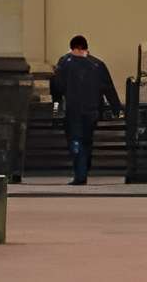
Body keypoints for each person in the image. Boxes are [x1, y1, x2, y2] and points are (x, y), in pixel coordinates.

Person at [48, 34, 119, 185]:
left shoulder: (64, 62)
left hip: (72, 110)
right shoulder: (97, 64)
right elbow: (108, 87)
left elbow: (57, 88)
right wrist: (116, 108)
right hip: (92, 110)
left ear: (73, 47)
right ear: (86, 47)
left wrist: (55, 108)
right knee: (87, 140)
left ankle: (80, 174)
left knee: (75, 140)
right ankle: (84, 168)